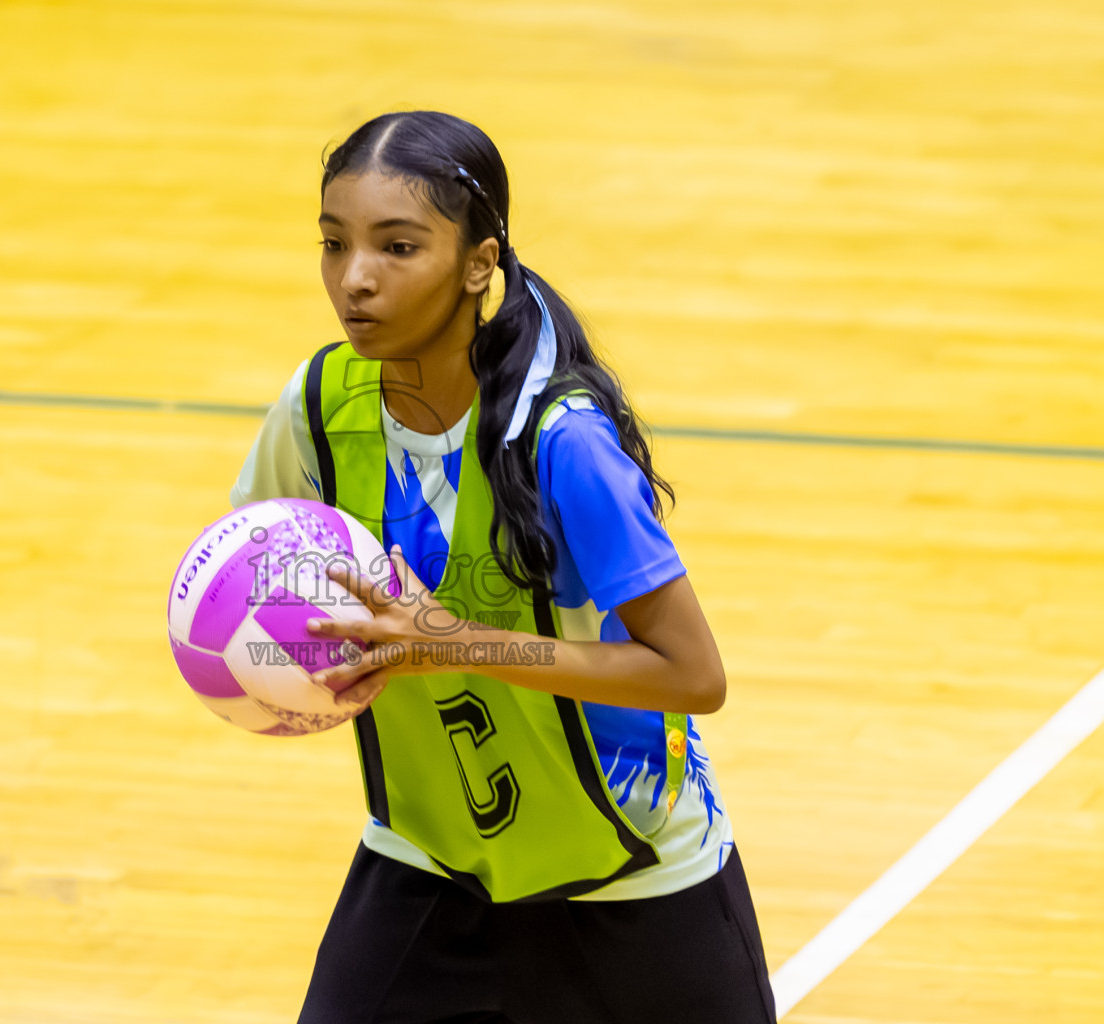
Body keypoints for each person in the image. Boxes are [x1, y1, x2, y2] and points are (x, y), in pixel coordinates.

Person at [229, 110, 776, 1024]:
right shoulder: (320, 405)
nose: (354, 279)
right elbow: (259, 581)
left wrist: (456, 644)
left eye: (398, 247)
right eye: (334, 244)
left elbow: (695, 675)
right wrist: (284, 667)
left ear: (479, 263)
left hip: (627, 877)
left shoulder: (563, 443)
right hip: (430, 858)